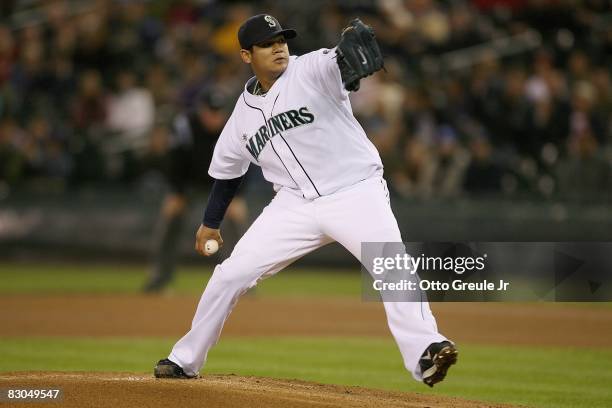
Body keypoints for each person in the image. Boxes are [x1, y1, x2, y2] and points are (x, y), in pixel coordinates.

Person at [154, 14, 457, 387]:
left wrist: (348, 66)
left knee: (391, 265)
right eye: (267, 44)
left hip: (354, 190)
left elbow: (339, 64)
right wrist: (211, 222)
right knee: (230, 274)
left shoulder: (311, 67)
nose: (279, 46)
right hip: (294, 205)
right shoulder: (242, 115)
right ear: (246, 55)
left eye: (281, 39)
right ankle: (184, 359)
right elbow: (228, 172)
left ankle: (427, 350)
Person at [143, 89, 249, 292]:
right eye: (210, 111)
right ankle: (159, 278)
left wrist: (238, 196)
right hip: (189, 183)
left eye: (218, 111)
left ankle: (242, 282)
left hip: (223, 183)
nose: (214, 115)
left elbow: (246, 162)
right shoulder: (185, 126)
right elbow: (173, 161)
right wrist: (177, 192)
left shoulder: (233, 125)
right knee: (171, 214)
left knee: (238, 219)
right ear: (201, 111)